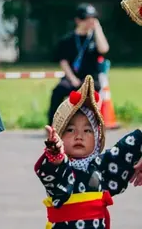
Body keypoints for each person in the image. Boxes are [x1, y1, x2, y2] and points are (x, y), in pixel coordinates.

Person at [36, 76, 142, 228]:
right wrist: (56, 154)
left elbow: (125, 149)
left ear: (97, 138)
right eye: (70, 130)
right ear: (59, 136)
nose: (79, 136)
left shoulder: (101, 165)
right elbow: (52, 174)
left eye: (87, 130)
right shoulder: (60, 166)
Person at [48, 3, 110, 123]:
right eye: (86, 19)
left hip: (91, 79)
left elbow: (104, 49)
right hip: (73, 77)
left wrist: (98, 29)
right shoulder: (67, 40)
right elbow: (63, 61)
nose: (90, 21)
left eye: (92, 18)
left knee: (93, 94)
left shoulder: (95, 38)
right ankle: (53, 124)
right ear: (78, 20)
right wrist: (72, 79)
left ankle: (94, 124)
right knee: (58, 90)